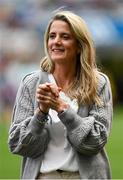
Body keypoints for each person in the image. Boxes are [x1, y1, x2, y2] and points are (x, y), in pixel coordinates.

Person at [8, 10, 113, 179]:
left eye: (65, 37)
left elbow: (95, 141)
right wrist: (40, 113)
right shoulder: (31, 83)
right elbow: (18, 144)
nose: (56, 42)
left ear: (79, 45)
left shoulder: (99, 83)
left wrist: (63, 109)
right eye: (52, 36)